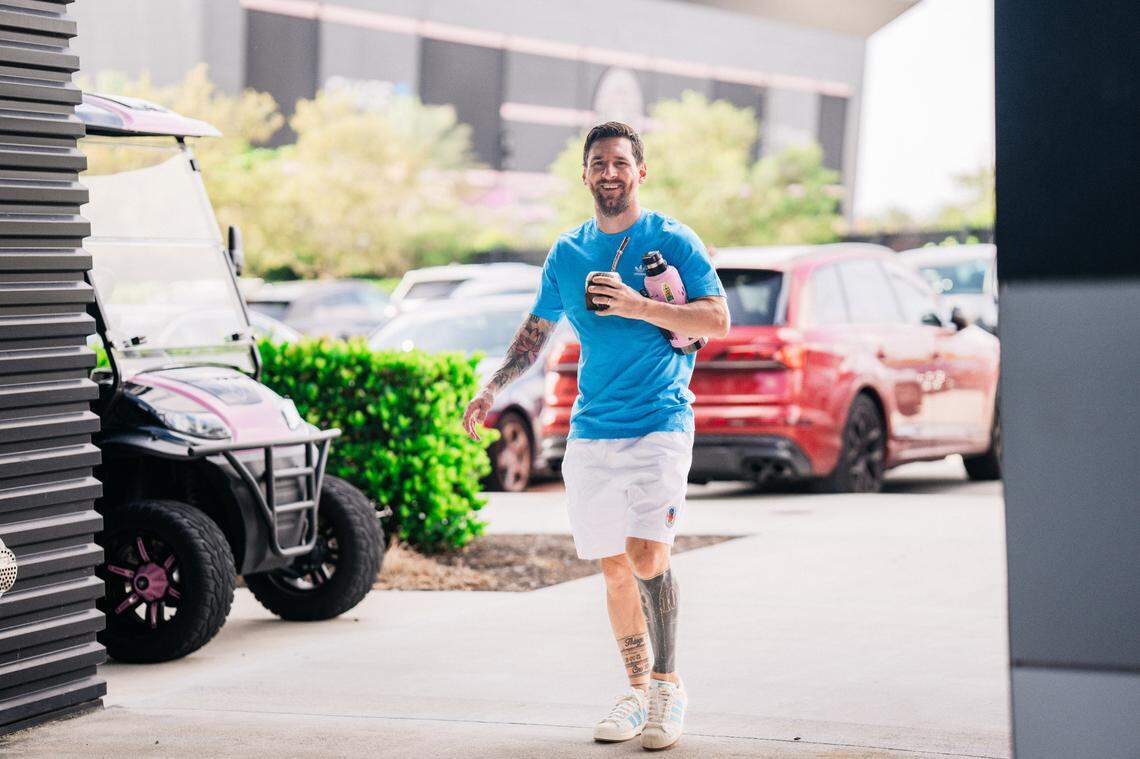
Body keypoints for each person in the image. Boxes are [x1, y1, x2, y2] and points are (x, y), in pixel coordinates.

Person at [463, 121, 729, 751]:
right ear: (584, 175)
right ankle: (636, 691)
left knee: (647, 554)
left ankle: (669, 686)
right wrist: (493, 386)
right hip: (592, 432)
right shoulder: (568, 252)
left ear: (641, 172)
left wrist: (640, 304)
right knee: (613, 566)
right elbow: (536, 332)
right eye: (598, 163)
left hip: (661, 421)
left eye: (620, 162)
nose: (609, 172)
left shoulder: (670, 240)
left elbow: (716, 318)